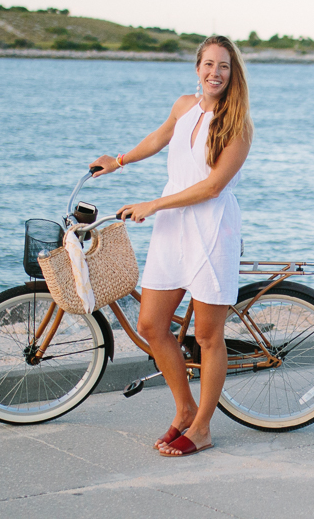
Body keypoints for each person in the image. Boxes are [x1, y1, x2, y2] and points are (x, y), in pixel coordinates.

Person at [89, 35, 252, 457]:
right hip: (171, 228)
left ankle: (202, 428)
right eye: (209, 64)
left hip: (211, 228)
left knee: (208, 336)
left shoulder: (237, 126)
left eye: (224, 66)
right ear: (197, 68)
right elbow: (160, 137)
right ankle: (184, 409)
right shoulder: (184, 105)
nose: (215, 72)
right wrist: (119, 160)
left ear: (234, 74)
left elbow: (213, 187)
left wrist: (154, 204)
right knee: (151, 326)